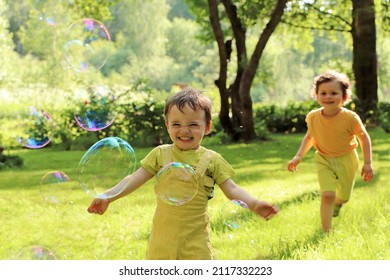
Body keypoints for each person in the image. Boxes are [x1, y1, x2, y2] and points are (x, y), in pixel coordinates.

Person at [88, 87, 279, 259]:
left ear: (208, 127)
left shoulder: (212, 160)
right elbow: (134, 178)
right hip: (161, 240)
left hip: (196, 241)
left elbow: (232, 189)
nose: (184, 130)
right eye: (176, 124)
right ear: (167, 124)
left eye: (193, 125)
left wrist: (254, 204)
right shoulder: (160, 154)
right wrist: (109, 196)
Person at [287, 70, 374, 233]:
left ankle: (339, 203)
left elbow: (363, 138)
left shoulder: (350, 118)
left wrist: (367, 163)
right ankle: (326, 231)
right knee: (327, 195)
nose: (328, 97)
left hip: (346, 159)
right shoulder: (313, 117)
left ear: (344, 96)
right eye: (323, 93)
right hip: (323, 159)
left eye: (334, 93)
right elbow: (310, 137)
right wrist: (298, 156)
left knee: (344, 197)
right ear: (316, 95)